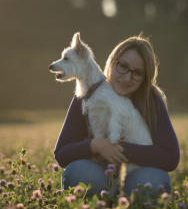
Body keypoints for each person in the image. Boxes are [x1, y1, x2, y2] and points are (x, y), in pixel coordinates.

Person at [53, 35, 180, 198]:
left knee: (152, 182)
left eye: (137, 73)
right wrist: (96, 145)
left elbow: (170, 157)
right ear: (112, 62)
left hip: (136, 174)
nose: (127, 78)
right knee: (79, 173)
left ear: (145, 78)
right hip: (98, 174)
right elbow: (62, 153)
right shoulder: (88, 94)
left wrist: (121, 150)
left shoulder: (151, 100)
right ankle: (99, 208)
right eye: (123, 66)